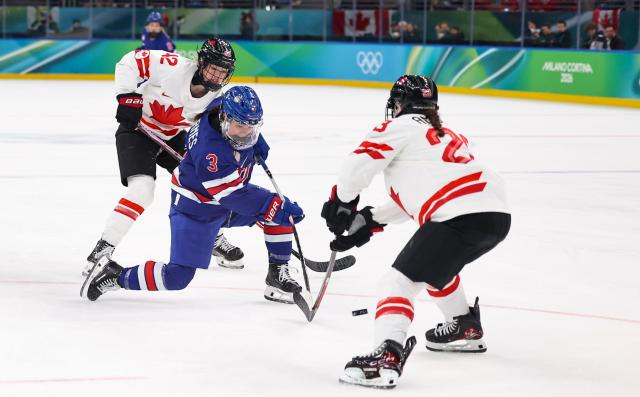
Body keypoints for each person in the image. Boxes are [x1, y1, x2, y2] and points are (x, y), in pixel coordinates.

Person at [321, 75, 510, 388]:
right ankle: (464, 324)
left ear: (397, 104)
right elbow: (419, 197)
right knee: (435, 267)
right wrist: (368, 222)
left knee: (398, 283)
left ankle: (386, 357)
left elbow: (357, 166)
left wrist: (342, 204)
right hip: (495, 215)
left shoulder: (399, 127)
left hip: (459, 215)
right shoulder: (443, 134)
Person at [81, 86, 305, 304]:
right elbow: (233, 196)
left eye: (252, 127)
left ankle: (277, 275)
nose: (246, 133)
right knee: (177, 277)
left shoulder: (220, 108)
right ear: (225, 118)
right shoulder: (212, 154)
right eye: (240, 127)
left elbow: (235, 188)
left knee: (276, 210)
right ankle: (115, 276)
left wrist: (257, 143)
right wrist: (272, 206)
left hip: (222, 200)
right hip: (195, 209)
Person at [84, 38, 248, 279]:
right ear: (201, 63)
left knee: (206, 186)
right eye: (213, 68)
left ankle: (212, 237)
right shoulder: (172, 66)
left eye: (223, 71)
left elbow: (216, 133)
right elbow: (129, 62)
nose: (216, 76)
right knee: (142, 191)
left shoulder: (216, 101)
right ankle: (102, 250)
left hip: (172, 137)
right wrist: (127, 96)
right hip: (137, 131)